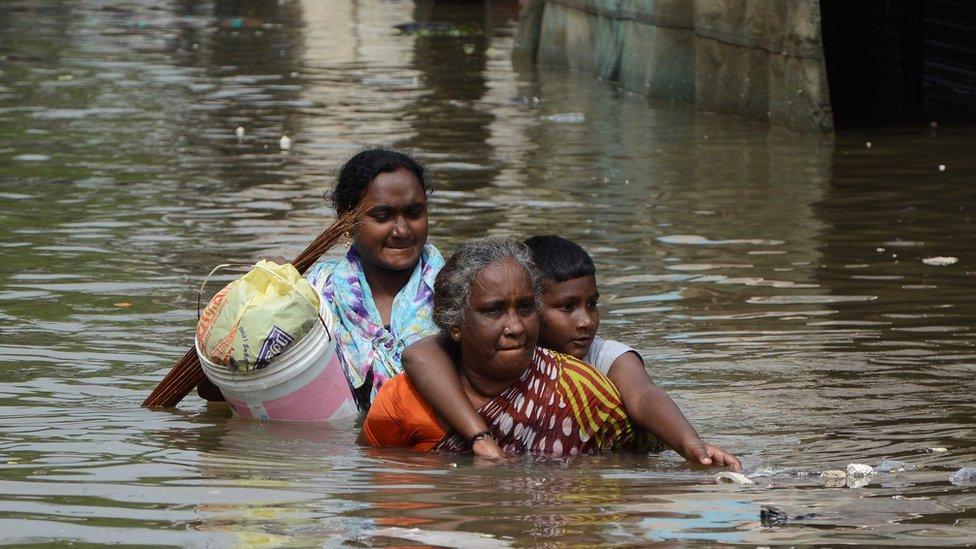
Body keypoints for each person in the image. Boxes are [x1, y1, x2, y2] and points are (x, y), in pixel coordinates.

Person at [402, 235, 741, 470]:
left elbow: (644, 395)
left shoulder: (603, 356)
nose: (585, 322)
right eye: (566, 307)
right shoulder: (495, 348)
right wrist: (480, 436)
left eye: (592, 305)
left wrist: (690, 444)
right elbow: (420, 354)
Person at [361, 237, 662, 455]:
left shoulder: (580, 390)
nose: (516, 327)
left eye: (526, 308)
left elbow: (640, 460)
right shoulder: (402, 401)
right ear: (455, 324)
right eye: (493, 310)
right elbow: (376, 481)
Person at [303, 148, 443, 410]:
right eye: (382, 217)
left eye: (414, 213)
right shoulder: (317, 295)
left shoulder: (456, 290)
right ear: (347, 221)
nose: (401, 230)